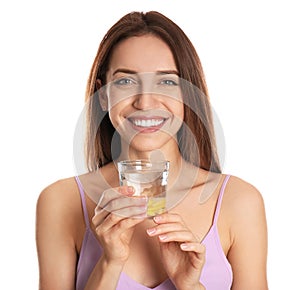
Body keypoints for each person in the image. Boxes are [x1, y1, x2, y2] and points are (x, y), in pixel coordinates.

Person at [36, 11, 268, 290]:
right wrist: (110, 263)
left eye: (167, 81)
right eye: (125, 81)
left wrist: (191, 286)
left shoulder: (239, 201)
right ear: (103, 96)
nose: (145, 102)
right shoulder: (61, 202)